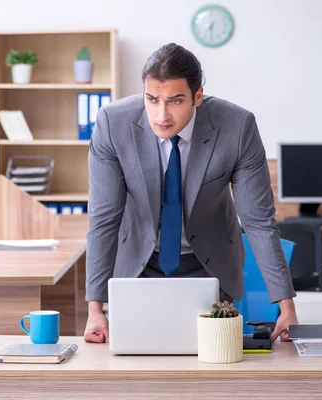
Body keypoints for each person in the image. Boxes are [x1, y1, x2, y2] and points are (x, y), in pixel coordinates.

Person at [84, 43, 298, 344]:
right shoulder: (112, 124)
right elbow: (103, 218)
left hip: (209, 267)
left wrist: (286, 307)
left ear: (197, 96)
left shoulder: (237, 127)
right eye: (152, 99)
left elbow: (258, 221)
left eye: (175, 101)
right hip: (137, 266)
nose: (161, 114)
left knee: (214, 360)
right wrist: (96, 307)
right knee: (135, 363)